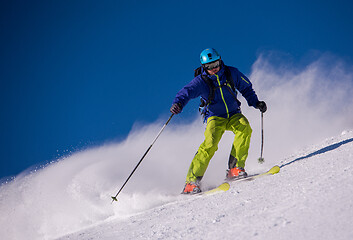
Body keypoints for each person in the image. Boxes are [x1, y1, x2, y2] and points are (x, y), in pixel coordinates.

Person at [170, 48, 267, 194]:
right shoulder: (201, 82)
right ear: (204, 67)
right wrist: (178, 103)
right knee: (210, 143)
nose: (214, 68)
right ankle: (191, 182)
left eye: (215, 63)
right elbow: (186, 92)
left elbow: (246, 88)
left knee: (244, 128)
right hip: (214, 117)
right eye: (209, 66)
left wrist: (256, 102)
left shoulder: (231, 73)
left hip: (233, 114)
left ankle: (235, 169)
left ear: (220, 60)